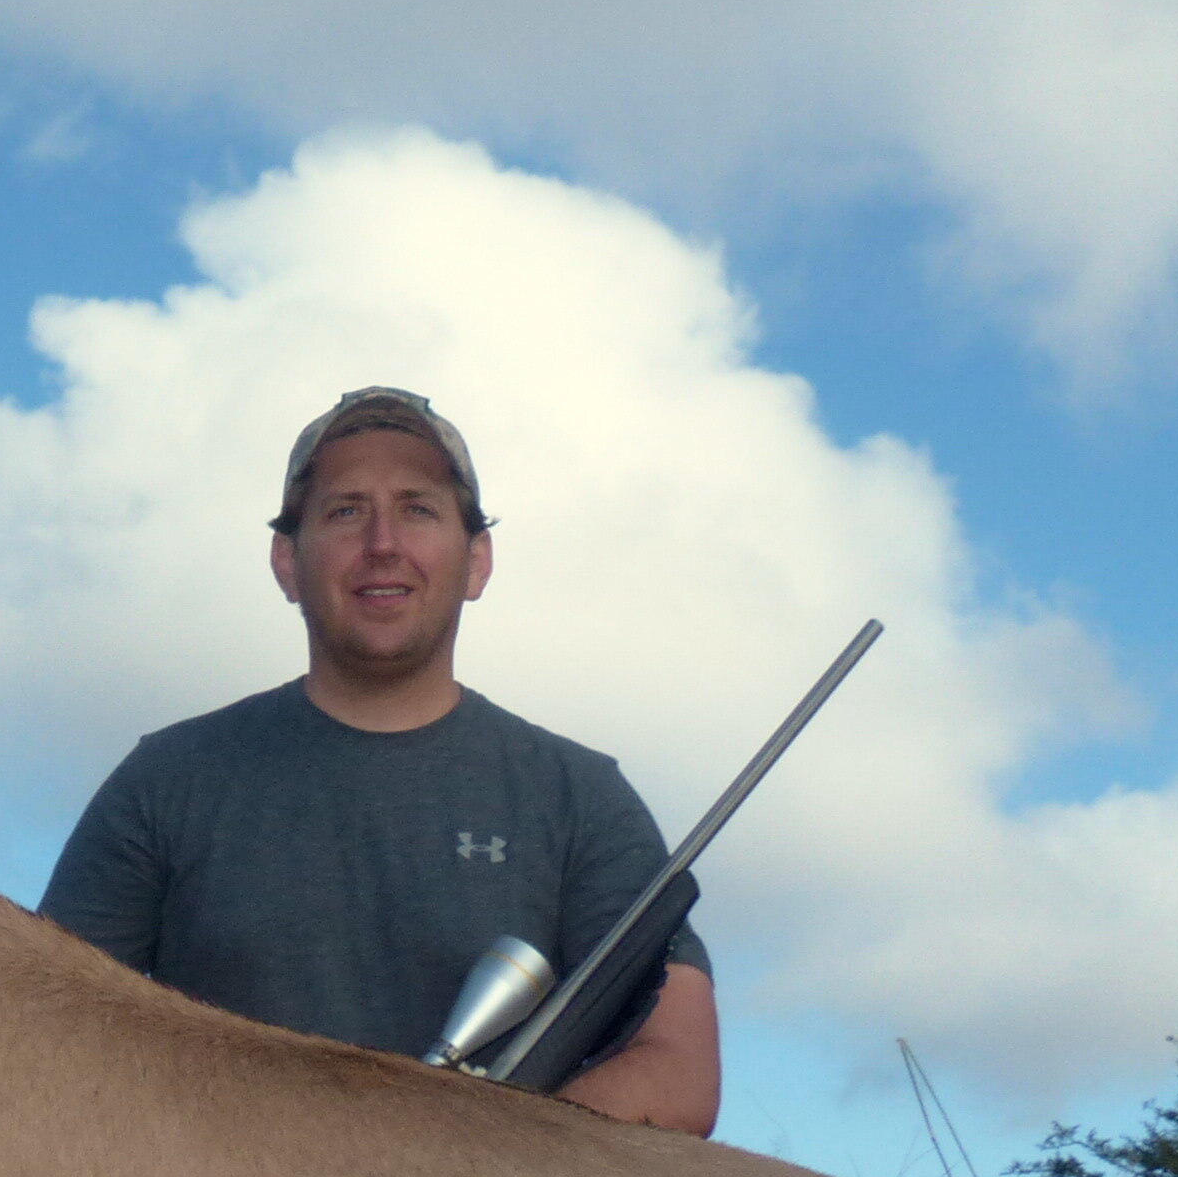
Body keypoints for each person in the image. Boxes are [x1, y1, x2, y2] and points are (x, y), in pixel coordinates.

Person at [39, 387, 721, 1131]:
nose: (383, 543)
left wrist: (475, 1152)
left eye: (419, 508)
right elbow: (34, 1034)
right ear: (287, 564)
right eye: (344, 510)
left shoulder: (582, 796)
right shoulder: (164, 782)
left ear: (477, 562)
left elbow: (678, 1075)